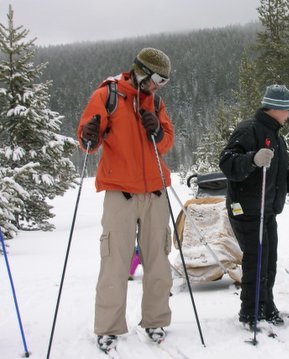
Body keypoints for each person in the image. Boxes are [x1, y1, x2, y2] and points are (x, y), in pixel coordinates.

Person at [77, 47, 175, 354]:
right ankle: (108, 327)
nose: (159, 85)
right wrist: (89, 135)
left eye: (165, 81)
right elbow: (87, 141)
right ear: (141, 71)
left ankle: (155, 320)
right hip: (120, 192)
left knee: (158, 260)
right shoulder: (107, 95)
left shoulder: (155, 102)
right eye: (157, 78)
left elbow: (168, 141)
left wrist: (157, 131)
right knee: (115, 262)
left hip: (156, 192)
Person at [219, 84, 289, 328]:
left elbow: (277, 176)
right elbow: (227, 163)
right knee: (256, 261)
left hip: (267, 210)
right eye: (287, 109)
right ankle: (250, 312)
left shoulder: (277, 136)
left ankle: (266, 305)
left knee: (268, 262)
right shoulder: (248, 129)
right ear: (277, 108)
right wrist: (251, 159)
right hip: (247, 209)